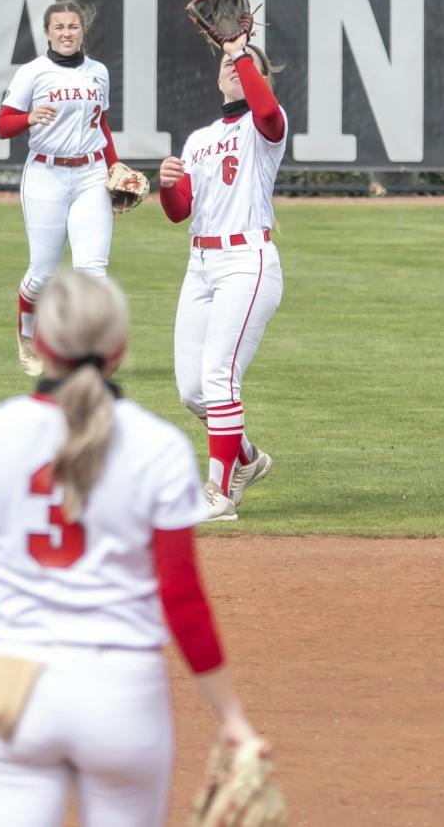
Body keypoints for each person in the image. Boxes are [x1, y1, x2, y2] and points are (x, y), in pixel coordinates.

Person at [0, 270, 264, 827]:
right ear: (120, 348)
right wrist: (231, 717)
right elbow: (182, 599)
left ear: (40, 343)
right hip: (123, 693)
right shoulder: (158, 447)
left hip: (10, 683)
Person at [157, 33, 285, 522]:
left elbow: (268, 111)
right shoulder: (200, 139)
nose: (234, 66)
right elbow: (179, 211)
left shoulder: (264, 125)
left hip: (247, 262)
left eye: (245, 63)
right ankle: (247, 459)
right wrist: (167, 186)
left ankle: (218, 492)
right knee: (192, 390)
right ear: (216, 76)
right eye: (228, 62)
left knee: (218, 377)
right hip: (201, 264)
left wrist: (240, 51)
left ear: (257, 76)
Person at [0, 0, 119, 377]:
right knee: (43, 273)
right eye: (59, 27)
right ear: (47, 33)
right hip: (46, 174)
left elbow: (103, 124)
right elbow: (3, 126)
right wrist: (29, 117)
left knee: (92, 271)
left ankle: (87, 354)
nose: (67, 33)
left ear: (83, 31)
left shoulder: (98, 72)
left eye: (73, 26)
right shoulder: (33, 72)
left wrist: (114, 167)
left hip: (90, 175)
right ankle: (28, 335)